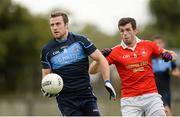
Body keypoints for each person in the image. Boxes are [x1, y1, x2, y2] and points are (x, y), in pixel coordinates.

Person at [89, 17, 177, 116]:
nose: (125, 33)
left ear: (135, 31)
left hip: (151, 97)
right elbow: (92, 71)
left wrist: (169, 56)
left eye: (128, 30)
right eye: (122, 31)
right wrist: (100, 58)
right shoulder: (115, 51)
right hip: (130, 101)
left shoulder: (148, 45)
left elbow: (174, 56)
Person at [40, 11, 116, 116]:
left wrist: (107, 81)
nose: (54, 28)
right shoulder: (47, 50)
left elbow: (101, 59)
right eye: (52, 25)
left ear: (66, 25)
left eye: (58, 24)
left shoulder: (80, 41)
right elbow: (45, 77)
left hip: (86, 95)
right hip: (66, 101)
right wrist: (46, 87)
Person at [152, 36, 180, 116]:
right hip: (154, 93)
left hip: (166, 92)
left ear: (163, 44)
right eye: (155, 43)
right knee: (167, 113)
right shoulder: (149, 58)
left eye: (159, 43)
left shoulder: (169, 58)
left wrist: (171, 72)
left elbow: (177, 72)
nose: (158, 45)